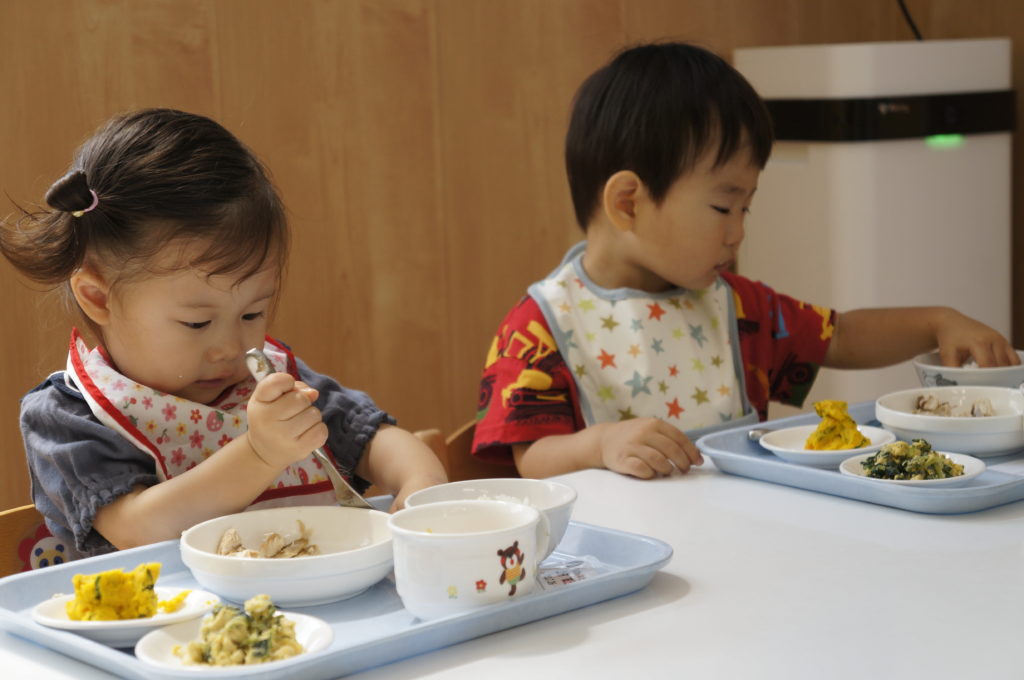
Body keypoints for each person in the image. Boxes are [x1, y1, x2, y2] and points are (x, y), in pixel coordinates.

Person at [471, 42, 1018, 481]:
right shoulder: (542, 326)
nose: (738, 232)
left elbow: (842, 336)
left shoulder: (735, 306)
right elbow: (530, 456)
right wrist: (601, 444)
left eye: (745, 208)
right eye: (722, 207)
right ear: (628, 203)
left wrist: (938, 322)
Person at [0, 108, 447, 561]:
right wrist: (259, 453)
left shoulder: (268, 381)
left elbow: (376, 439)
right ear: (98, 298)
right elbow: (139, 529)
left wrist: (420, 486)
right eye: (197, 323)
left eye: (252, 313)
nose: (232, 347)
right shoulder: (68, 419)